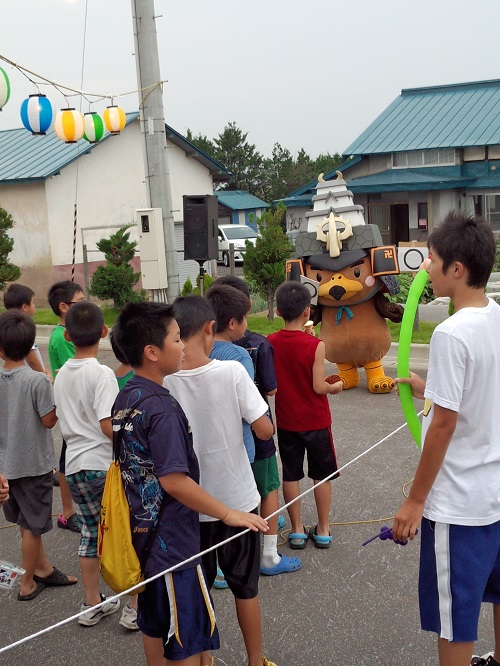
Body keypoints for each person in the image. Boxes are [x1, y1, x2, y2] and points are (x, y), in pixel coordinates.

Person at [111, 301, 269, 666]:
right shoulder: (163, 408)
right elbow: (174, 480)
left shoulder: (128, 395)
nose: (182, 346)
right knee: (185, 636)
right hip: (176, 536)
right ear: (152, 352)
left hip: (144, 535)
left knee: (158, 621)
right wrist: (228, 513)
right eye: (175, 339)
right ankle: (255, 659)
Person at [391, 212, 500, 666]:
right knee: (496, 592)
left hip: (460, 505)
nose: (425, 269)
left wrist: (415, 501)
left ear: (457, 269)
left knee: (456, 615)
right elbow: (477, 389)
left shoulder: (451, 333)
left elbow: (443, 425)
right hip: (495, 493)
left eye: (432, 260)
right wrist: (428, 389)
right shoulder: (495, 315)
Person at [164, 295, 277, 666]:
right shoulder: (232, 373)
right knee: (246, 589)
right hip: (239, 502)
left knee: (199, 592)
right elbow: (264, 430)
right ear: (210, 328)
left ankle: (205, 660)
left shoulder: (165, 382)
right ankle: (256, 660)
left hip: (190, 507)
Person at [209, 276, 301, 576]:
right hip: (252, 436)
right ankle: (269, 554)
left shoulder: (199, 349)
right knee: (267, 487)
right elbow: (266, 394)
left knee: (225, 497)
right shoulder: (251, 349)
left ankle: (221, 565)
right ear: (238, 316)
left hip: (213, 440)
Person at [53, 301, 125, 627]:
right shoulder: (102, 373)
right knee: (121, 531)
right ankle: (135, 608)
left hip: (74, 464)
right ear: (104, 332)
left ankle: (91, 602)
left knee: (88, 533)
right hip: (102, 464)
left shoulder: (61, 374)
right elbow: (107, 424)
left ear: (67, 334)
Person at [0, 310, 77, 600]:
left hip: (6, 467)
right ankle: (27, 582)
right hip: (32, 465)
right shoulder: (37, 381)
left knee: (23, 522)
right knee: (33, 528)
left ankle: (42, 567)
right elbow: (48, 421)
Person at [268, 281, 342, 550]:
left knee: (291, 474)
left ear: (278, 311)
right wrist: (336, 387)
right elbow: (318, 386)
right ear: (307, 312)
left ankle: (297, 530)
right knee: (321, 475)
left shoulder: (271, 342)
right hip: (316, 420)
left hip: (287, 421)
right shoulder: (315, 344)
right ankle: (322, 529)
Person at [47, 280, 85, 533]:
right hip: (73, 406)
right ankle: (67, 511)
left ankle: (70, 509)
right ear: (63, 307)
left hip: (73, 405)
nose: (85, 308)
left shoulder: (63, 334)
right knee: (67, 460)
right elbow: (77, 368)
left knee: (68, 457)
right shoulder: (63, 338)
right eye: (80, 303)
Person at [3, 283, 51, 377]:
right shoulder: (23, 328)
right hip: (31, 377)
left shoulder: (6, 326)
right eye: (33, 302)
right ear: (25, 307)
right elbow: (32, 359)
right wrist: (44, 375)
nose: (34, 306)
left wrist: (45, 369)